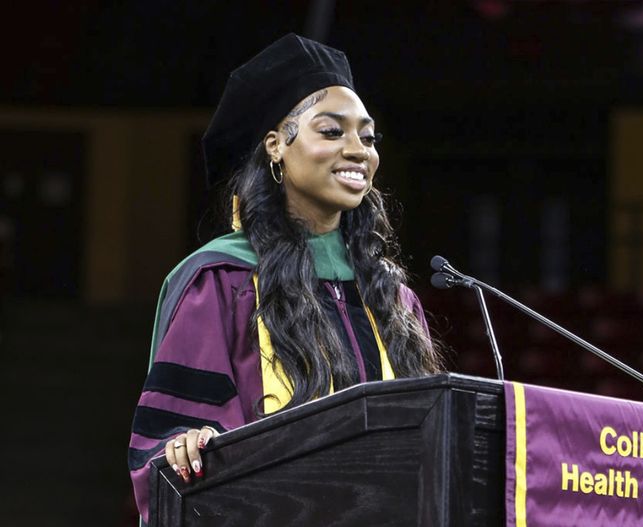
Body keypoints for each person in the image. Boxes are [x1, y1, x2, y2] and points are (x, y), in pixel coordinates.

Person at [127, 33, 442, 523]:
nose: (358, 150)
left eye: (368, 136)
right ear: (276, 146)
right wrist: (189, 445)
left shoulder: (391, 297)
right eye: (332, 132)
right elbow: (176, 448)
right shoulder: (222, 280)